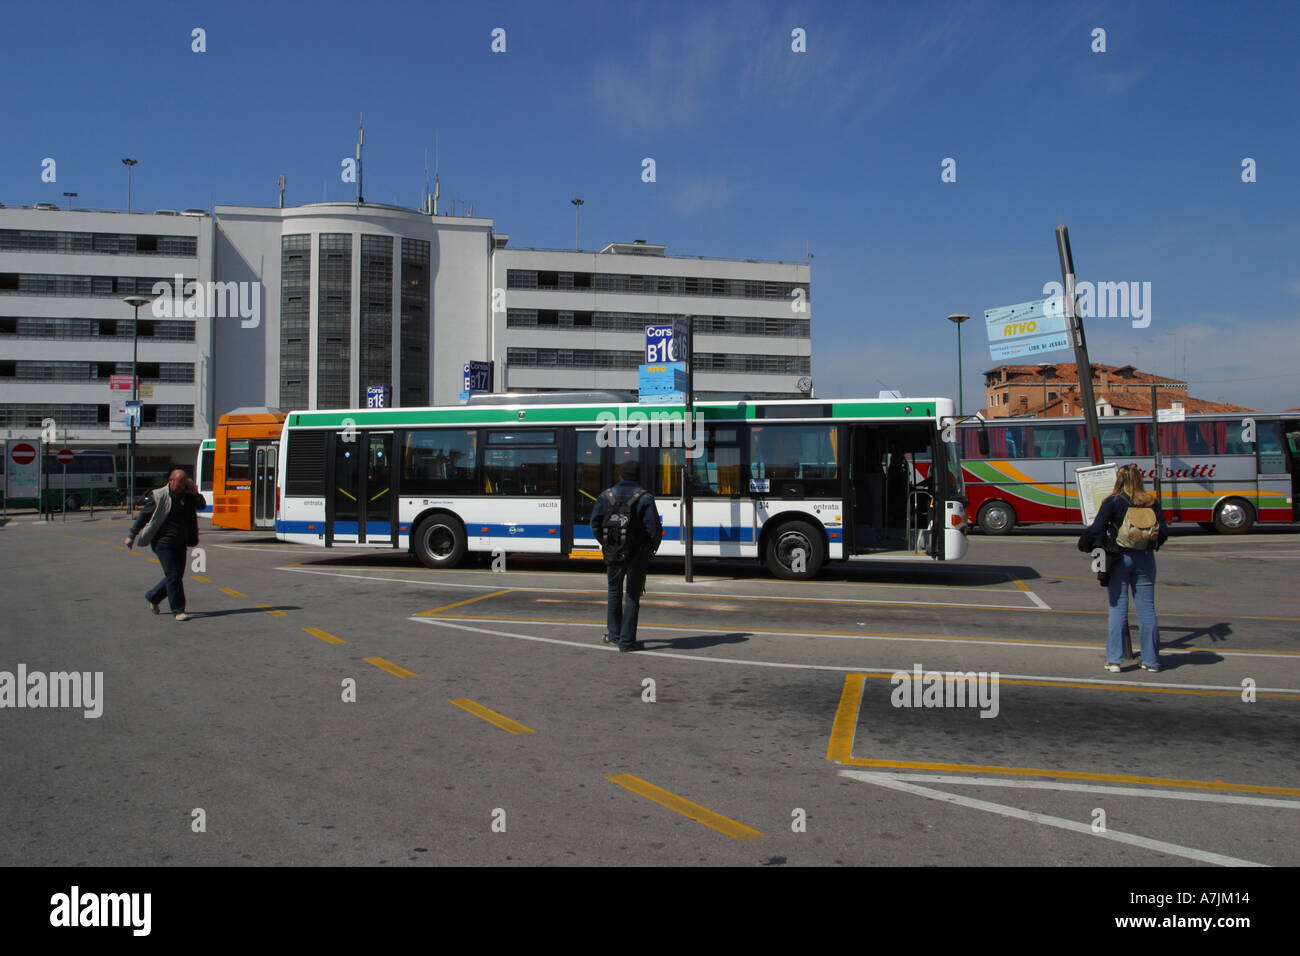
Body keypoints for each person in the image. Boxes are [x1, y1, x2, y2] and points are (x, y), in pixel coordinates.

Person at [1084, 464, 1168, 673]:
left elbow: (1096, 529)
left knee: (1117, 608)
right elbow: (1164, 532)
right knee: (1147, 609)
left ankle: (1114, 660)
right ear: (1140, 479)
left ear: (1119, 479)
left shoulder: (1113, 501)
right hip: (1146, 558)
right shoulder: (1151, 501)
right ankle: (1151, 661)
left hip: (1119, 557)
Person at [590, 460, 662, 652]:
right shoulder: (645, 498)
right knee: (632, 596)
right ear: (638, 477)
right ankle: (627, 641)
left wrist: (608, 544)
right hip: (637, 555)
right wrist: (650, 549)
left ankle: (614, 635)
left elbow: (595, 524)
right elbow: (654, 529)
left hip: (613, 553)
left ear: (620, 476)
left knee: (614, 592)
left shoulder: (606, 496)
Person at [125, 468, 205, 621]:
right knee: (173, 575)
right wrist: (131, 536)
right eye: (179, 484)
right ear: (171, 481)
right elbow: (143, 516)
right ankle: (178, 610)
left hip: (181, 541)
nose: (182, 488)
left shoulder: (187, 496)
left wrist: (193, 492)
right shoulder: (159, 496)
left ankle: (153, 596)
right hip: (162, 542)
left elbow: (201, 505)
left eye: (184, 484)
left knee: (175, 576)